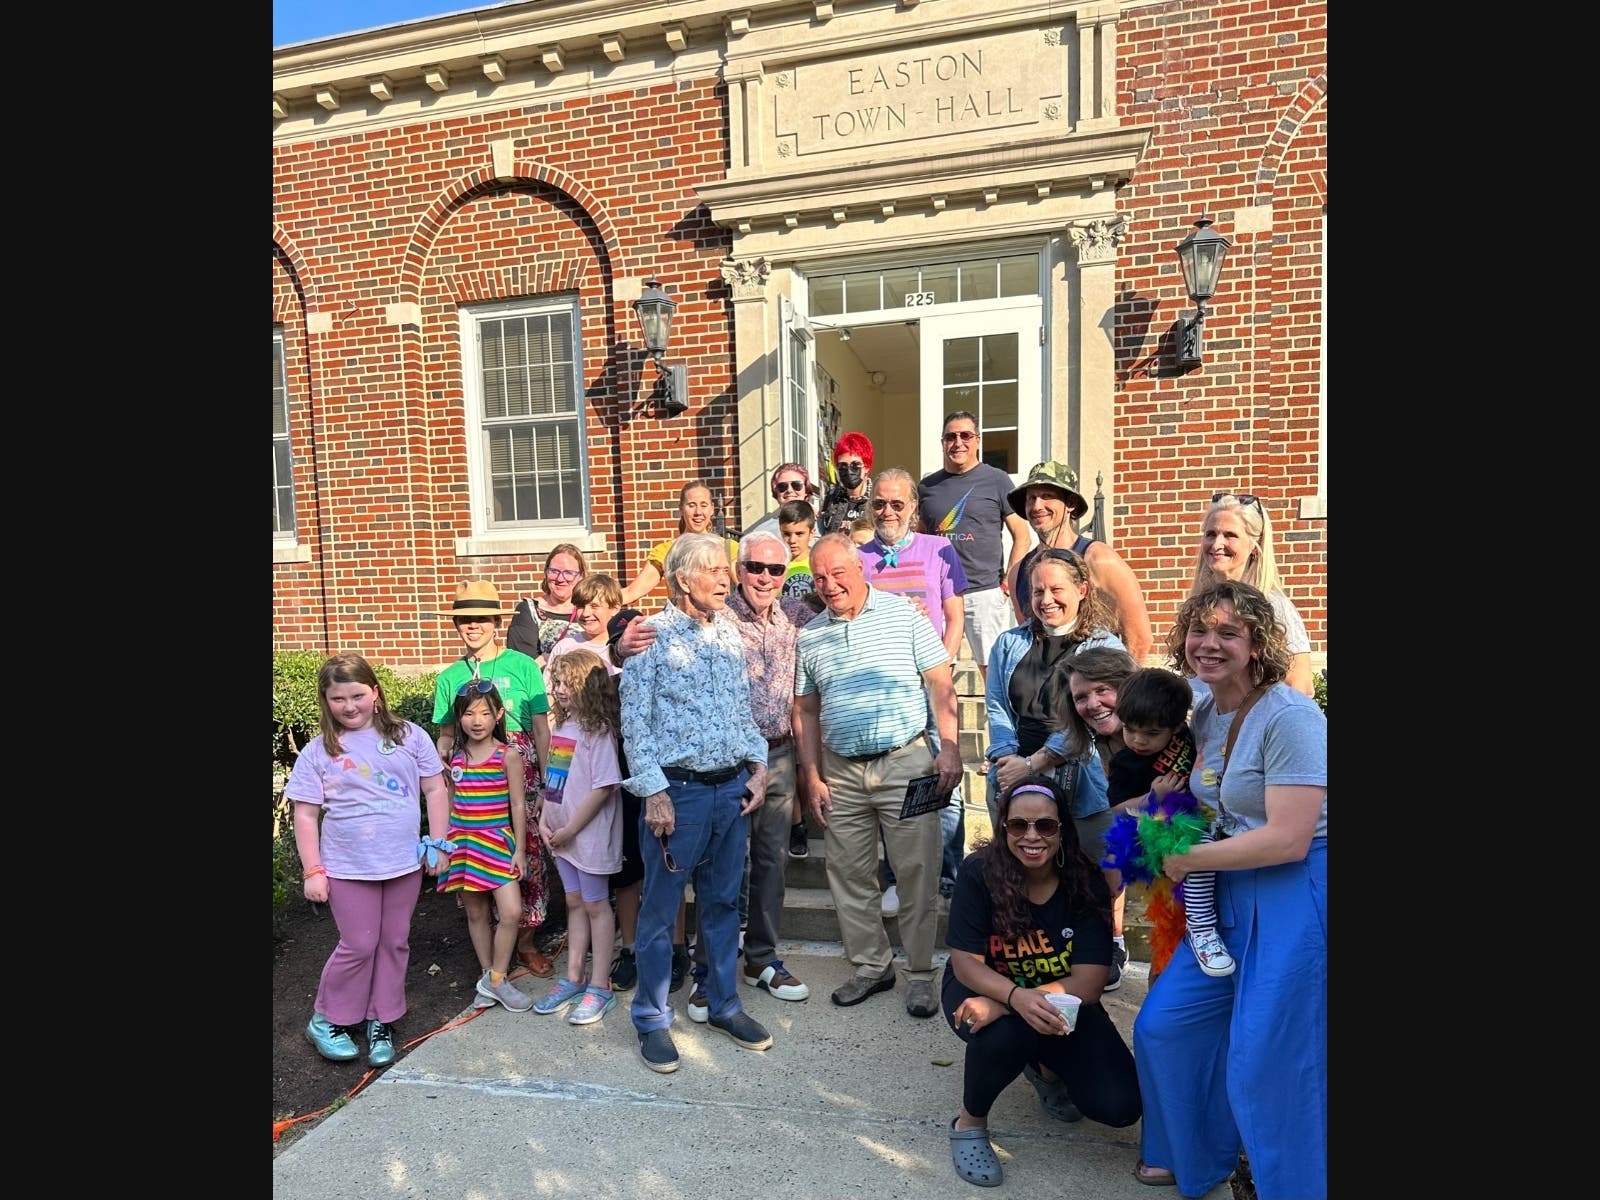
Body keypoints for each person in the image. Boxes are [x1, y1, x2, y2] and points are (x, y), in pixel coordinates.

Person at [1131, 579, 1327, 1197]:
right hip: (1225, 891)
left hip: (1293, 892)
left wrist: (1188, 856)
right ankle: (1200, 1157)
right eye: (1199, 629)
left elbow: (1290, 838)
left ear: (1258, 645)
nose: (1208, 644)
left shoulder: (1291, 716)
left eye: (1228, 633)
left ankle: (1293, 1187)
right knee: (1163, 1026)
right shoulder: (1206, 708)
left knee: (1270, 1061)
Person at [618, 533, 773, 1073]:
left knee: (725, 905)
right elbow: (634, 723)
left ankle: (725, 1004)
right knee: (661, 913)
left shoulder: (729, 634)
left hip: (730, 790)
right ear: (682, 578)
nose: (725, 578)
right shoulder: (649, 637)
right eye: (712, 570)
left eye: (725, 569)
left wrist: (759, 767)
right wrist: (654, 792)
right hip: (676, 796)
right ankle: (651, 1018)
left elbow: (740, 710)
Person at [941, 774, 1142, 1188]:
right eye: (1019, 825)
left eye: (1045, 826)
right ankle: (969, 1122)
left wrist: (1012, 999)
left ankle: (1046, 1069)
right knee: (1007, 1034)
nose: (1032, 836)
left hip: (1061, 997)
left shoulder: (1084, 882)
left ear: (1062, 829)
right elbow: (965, 964)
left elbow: (1088, 985)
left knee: (1120, 1106)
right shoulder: (979, 872)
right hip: (985, 988)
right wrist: (1010, 999)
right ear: (1003, 827)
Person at [793, 532, 963, 1017]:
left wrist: (948, 747)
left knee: (917, 871)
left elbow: (940, 682)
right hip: (841, 770)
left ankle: (922, 974)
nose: (829, 585)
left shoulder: (905, 617)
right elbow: (804, 710)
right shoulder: (810, 635)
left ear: (861, 568)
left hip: (907, 762)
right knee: (848, 874)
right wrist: (811, 774)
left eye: (837, 573)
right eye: (820, 577)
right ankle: (872, 966)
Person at [679, 529, 818, 1022]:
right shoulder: (715, 615)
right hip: (727, 763)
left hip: (778, 757)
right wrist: (621, 633)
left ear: (786, 576)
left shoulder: (798, 618)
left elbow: (851, 609)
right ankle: (707, 973)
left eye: (775, 569)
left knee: (771, 864)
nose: (764, 577)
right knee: (721, 871)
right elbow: (662, 624)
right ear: (739, 571)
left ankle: (761, 959)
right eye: (755, 567)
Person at [287, 653, 451, 1066]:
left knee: (394, 941)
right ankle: (327, 1018)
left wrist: (439, 841)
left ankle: (382, 1018)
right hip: (347, 867)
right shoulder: (318, 751)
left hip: (402, 863)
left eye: (358, 695)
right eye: (337, 698)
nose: (349, 706)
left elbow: (435, 789)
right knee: (359, 944)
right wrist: (313, 870)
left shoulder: (409, 736)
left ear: (375, 693)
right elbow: (304, 815)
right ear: (326, 701)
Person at [984, 551, 1128, 991]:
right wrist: (1009, 760)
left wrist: (1037, 762)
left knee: (1099, 860)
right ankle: (1040, 943)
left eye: (1056, 589)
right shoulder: (1009, 643)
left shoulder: (1105, 645)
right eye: (1037, 590)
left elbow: (1093, 716)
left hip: (1083, 769)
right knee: (1029, 859)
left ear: (1082, 590)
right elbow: (996, 704)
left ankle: (1111, 939)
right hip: (1017, 766)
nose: (1045, 599)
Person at [431, 580, 559, 977]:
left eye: (481, 619)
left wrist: (548, 786)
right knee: (478, 862)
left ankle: (525, 942)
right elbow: (447, 732)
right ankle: (490, 953)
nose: (474, 627)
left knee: (528, 859)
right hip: (473, 777)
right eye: (465, 620)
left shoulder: (521, 666)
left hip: (519, 767)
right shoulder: (449, 677)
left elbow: (541, 728)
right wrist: (442, 751)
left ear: (496, 622)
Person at [857, 468, 968, 905]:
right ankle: (896, 875)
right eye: (879, 503)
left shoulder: (939, 550)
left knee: (944, 771)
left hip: (928, 680)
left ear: (913, 508)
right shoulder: (860, 558)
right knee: (891, 781)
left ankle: (949, 873)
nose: (888, 511)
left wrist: (943, 665)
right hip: (883, 687)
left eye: (897, 503)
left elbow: (955, 616)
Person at [1102, 667, 1232, 978]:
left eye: (1150, 733)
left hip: (1209, 823)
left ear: (1176, 727)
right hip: (1162, 835)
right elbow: (1118, 808)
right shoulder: (1125, 762)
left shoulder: (1191, 735)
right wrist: (1151, 797)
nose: (1138, 740)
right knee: (1171, 924)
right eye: (1130, 729)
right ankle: (1200, 932)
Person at [533, 649, 626, 1025]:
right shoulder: (563, 729)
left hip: (587, 837)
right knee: (574, 903)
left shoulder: (598, 733)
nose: (557, 689)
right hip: (561, 836)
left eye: (565, 683)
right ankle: (573, 976)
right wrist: (543, 819)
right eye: (555, 682)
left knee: (596, 906)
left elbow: (604, 788)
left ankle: (600, 986)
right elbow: (553, 783)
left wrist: (571, 828)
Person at [438, 680, 534, 1013]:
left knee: (510, 912)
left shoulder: (507, 755)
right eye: (468, 714)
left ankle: (496, 978)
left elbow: (519, 805)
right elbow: (450, 804)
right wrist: (444, 847)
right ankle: (488, 978)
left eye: (484, 713)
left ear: (499, 714)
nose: (476, 721)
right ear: (459, 718)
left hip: (497, 842)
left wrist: (519, 850)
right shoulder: (456, 758)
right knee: (476, 913)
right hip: (464, 844)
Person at [1051, 644, 1142, 991]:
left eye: (1103, 690)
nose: (1092, 704)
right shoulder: (1105, 747)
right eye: (1081, 697)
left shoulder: (1165, 735)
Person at [918, 411, 1032, 684]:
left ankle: (1003, 727)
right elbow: (920, 538)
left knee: (994, 673)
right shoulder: (927, 487)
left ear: (977, 441)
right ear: (943, 442)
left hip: (984, 591)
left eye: (965, 435)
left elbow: (1022, 535)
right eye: (950, 437)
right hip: (941, 594)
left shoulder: (997, 480)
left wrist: (1007, 584)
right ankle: (940, 728)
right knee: (939, 672)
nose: (958, 442)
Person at [1004, 462, 1153, 663]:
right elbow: (1031, 641)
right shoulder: (1018, 573)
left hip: (1095, 682)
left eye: (1047, 496)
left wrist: (1121, 689)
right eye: (1031, 498)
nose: (1037, 506)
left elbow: (1139, 638)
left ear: (1070, 503)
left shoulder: (1098, 558)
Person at [1191, 491, 1315, 696]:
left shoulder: (1273, 605)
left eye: (1230, 535)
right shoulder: (1199, 604)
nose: (1216, 544)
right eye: (1211, 534)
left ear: (1255, 546)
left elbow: (1299, 686)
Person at [619, 478, 739, 607]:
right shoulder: (666, 551)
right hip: (680, 623)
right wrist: (598, 602)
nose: (698, 512)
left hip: (719, 622)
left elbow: (746, 588)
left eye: (703, 505)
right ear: (681, 509)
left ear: (712, 509)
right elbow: (632, 592)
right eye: (691, 505)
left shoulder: (727, 548)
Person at [506, 544, 586, 666]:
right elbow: (523, 664)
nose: (560, 578)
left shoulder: (589, 611)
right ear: (546, 572)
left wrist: (548, 658)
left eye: (568, 573)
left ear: (581, 576)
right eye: (554, 571)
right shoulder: (528, 610)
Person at [546, 573, 624, 670]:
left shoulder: (625, 648)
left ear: (614, 609)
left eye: (594, 606)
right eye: (580, 606)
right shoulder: (565, 648)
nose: (585, 613)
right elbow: (550, 684)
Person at [816, 432, 875, 535]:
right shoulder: (832, 497)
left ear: (866, 467)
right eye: (842, 466)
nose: (848, 470)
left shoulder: (877, 498)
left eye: (855, 465)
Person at [777, 498, 818, 605]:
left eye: (799, 534)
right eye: (786, 534)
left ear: (812, 533)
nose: (792, 540)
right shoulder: (775, 565)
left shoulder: (820, 561)